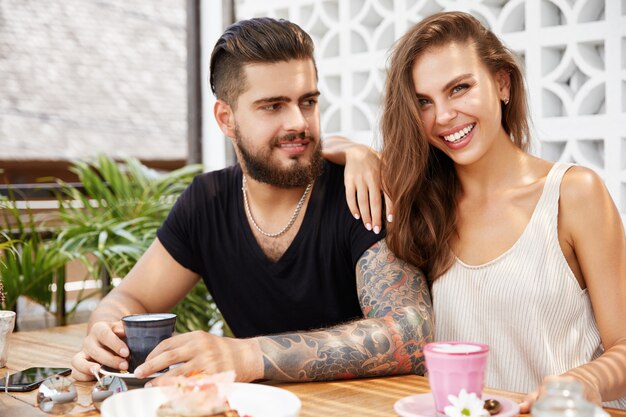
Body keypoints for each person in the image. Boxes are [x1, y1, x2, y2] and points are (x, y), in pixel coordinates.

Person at [71, 17, 433, 384]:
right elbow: (131, 297)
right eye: (273, 106)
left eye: (307, 101)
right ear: (226, 119)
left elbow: (411, 332)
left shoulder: (359, 190)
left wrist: (248, 355)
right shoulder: (206, 203)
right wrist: (106, 333)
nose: (299, 122)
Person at [380, 11, 626, 411]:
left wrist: (586, 379)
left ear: (502, 82)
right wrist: (352, 153)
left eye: (459, 88)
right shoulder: (420, 208)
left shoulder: (573, 194)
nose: (442, 116)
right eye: (424, 102)